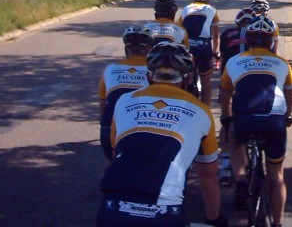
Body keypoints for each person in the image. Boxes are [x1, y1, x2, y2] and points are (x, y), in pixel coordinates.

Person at [96, 42, 228, 227]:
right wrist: (213, 219)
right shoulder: (201, 111)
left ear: (149, 75)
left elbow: (115, 155)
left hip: (114, 207)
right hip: (164, 211)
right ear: (187, 78)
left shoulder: (124, 101)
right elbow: (209, 178)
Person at [220, 16, 292, 227]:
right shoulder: (282, 63)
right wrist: (288, 115)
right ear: (271, 41)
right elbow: (289, 96)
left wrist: (226, 118)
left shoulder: (234, 62)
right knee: (277, 175)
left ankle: (241, 180)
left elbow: (225, 96)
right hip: (274, 121)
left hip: (245, 118)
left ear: (247, 40)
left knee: (235, 142)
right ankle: (278, 223)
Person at [97, 24, 156, 161]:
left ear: (126, 49)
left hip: (110, 127)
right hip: (143, 129)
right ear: (150, 49)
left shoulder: (110, 69)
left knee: (113, 170)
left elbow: (102, 106)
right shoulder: (154, 72)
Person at [178, 0, 220, 105]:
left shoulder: (186, 8)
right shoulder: (212, 9)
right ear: (208, 0)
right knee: (206, 80)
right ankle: (206, 110)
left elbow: (179, 29)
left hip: (187, 45)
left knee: (186, 77)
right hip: (203, 45)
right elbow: (216, 35)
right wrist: (215, 52)